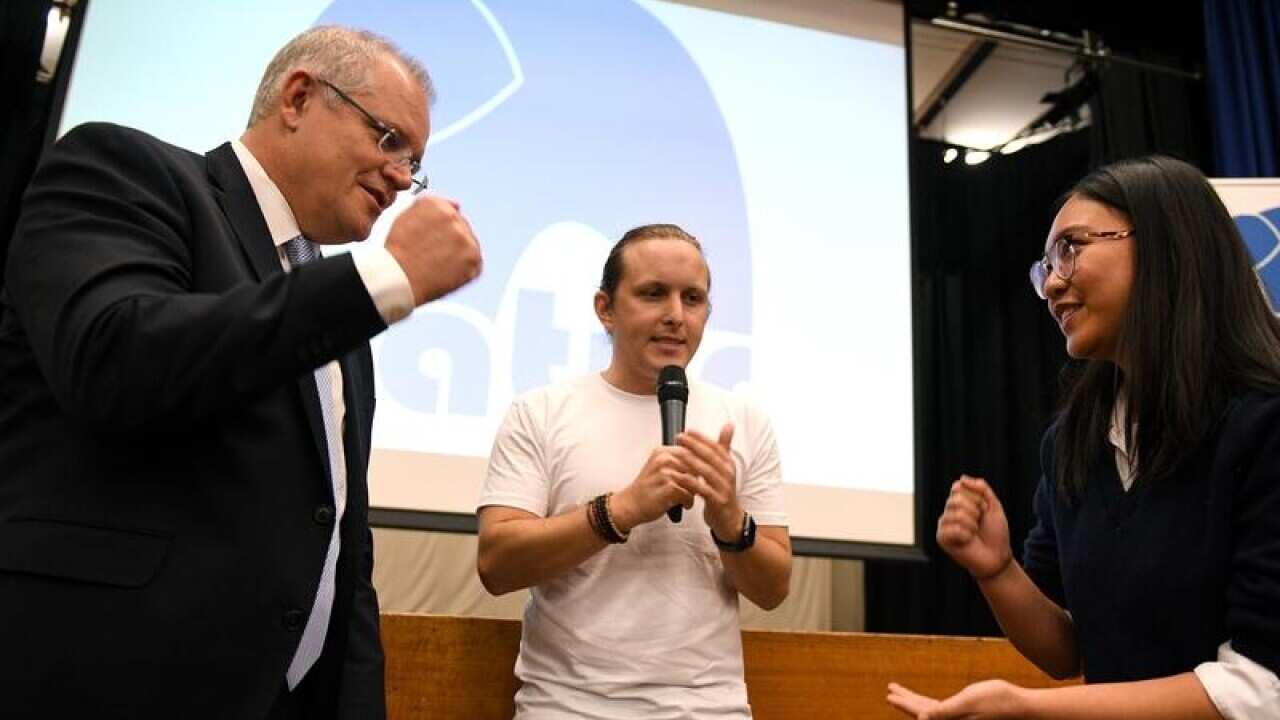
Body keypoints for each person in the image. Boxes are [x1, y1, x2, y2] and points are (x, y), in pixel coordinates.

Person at [0, 26, 482, 719]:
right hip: (110, 680)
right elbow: (113, 361)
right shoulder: (127, 173)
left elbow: (344, 541)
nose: (404, 179)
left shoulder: (342, 318)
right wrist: (384, 279)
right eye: (388, 140)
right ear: (298, 98)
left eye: (415, 163)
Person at [888, 156, 1280, 719]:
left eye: (1070, 249)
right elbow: (1066, 648)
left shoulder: (1263, 422)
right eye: (1045, 264)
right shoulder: (1073, 442)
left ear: (1168, 245)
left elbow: (1259, 686)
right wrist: (997, 571)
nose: (1050, 284)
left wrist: (1029, 709)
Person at [477, 223, 792, 717]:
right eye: (652, 294)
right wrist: (621, 510)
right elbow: (497, 565)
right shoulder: (539, 412)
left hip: (707, 710)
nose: (675, 316)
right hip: (568, 708)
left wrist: (732, 524)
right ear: (605, 308)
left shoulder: (744, 422)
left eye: (693, 298)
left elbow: (773, 590)